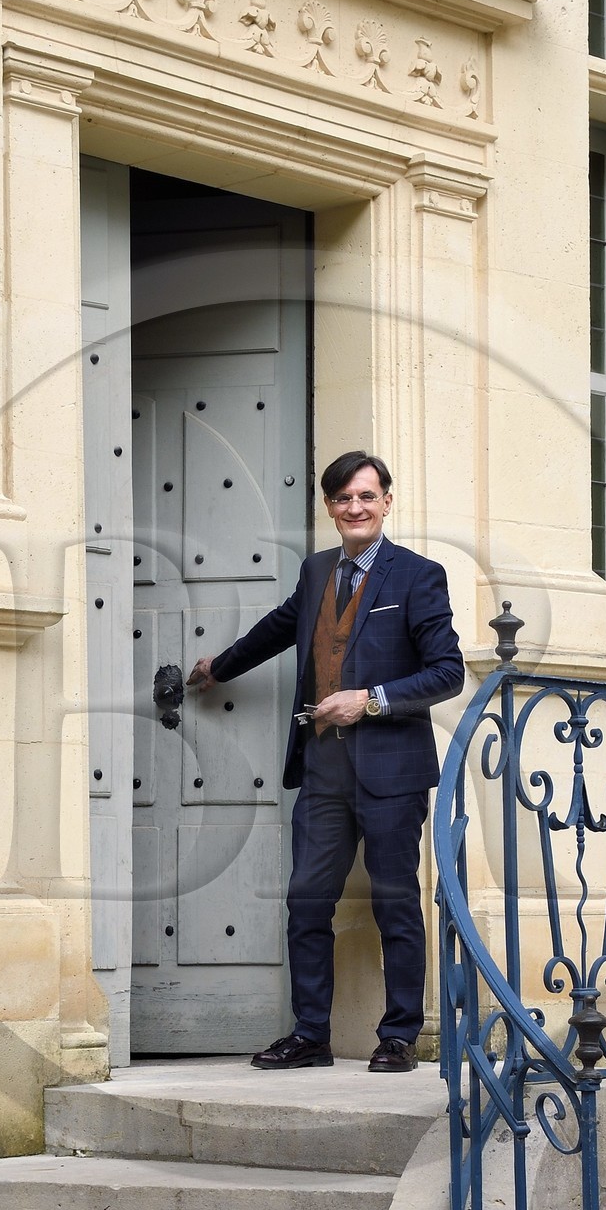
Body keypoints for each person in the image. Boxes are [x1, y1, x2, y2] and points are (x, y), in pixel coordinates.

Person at [188, 451, 464, 1072]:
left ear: (387, 501)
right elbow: (281, 627)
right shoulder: (316, 573)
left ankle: (398, 1036)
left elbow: (448, 672)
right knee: (307, 902)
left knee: (396, 903)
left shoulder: (419, 576)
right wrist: (220, 667)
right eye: (342, 500)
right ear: (330, 508)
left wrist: (369, 702)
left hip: (392, 773)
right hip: (321, 772)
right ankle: (310, 1034)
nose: (355, 509)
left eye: (366, 497)